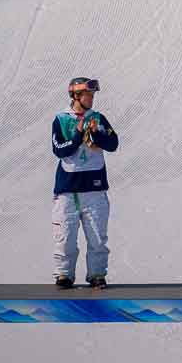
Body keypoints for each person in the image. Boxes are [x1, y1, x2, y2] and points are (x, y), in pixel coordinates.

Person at [51, 77, 119, 288]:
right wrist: (79, 133)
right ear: (76, 96)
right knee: (65, 238)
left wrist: (96, 135)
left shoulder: (98, 118)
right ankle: (64, 275)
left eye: (92, 95)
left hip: (94, 187)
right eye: (88, 95)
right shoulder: (61, 119)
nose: (91, 99)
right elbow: (59, 149)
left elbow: (113, 143)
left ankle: (97, 274)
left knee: (98, 237)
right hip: (68, 188)